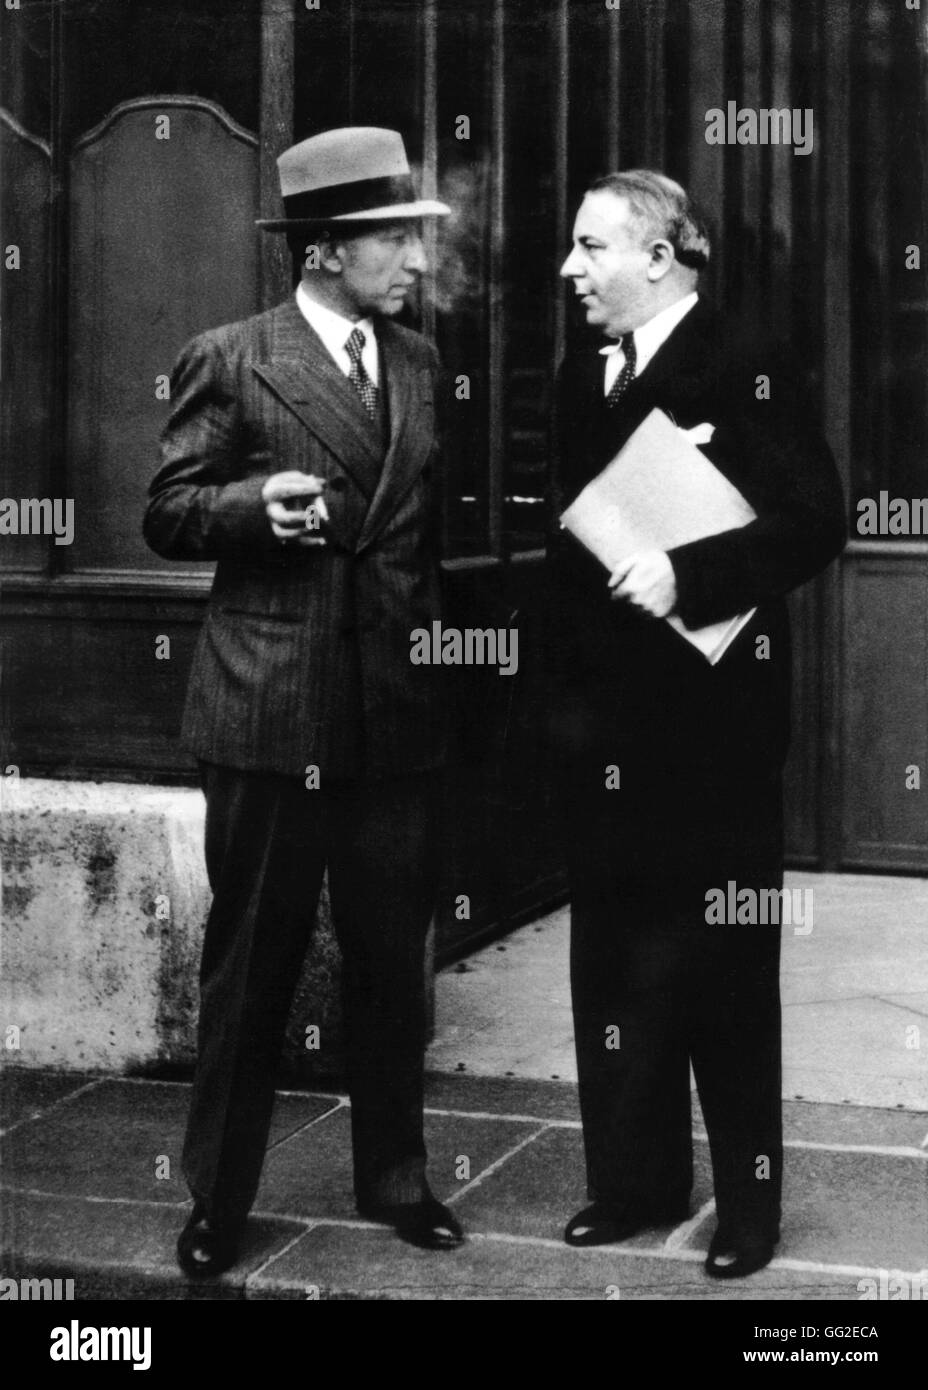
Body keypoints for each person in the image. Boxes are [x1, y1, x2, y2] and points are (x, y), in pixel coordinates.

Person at [144, 127, 464, 1277]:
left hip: (393, 719)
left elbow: (423, 546)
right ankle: (218, 1203)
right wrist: (244, 508)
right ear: (326, 250)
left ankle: (397, 1178)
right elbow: (167, 509)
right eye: (392, 241)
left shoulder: (421, 365)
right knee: (253, 965)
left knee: (392, 962)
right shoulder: (230, 357)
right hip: (272, 716)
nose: (415, 262)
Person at [546, 169, 845, 1277]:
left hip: (713, 734)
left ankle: (750, 1208)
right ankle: (632, 1183)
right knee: (614, 961)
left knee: (721, 965)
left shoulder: (747, 359)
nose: (572, 271)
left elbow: (819, 519)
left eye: (591, 248)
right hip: (604, 737)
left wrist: (688, 572)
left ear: (659, 256)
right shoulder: (581, 374)